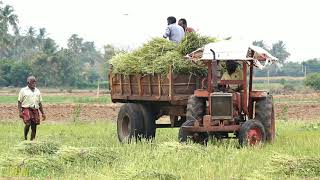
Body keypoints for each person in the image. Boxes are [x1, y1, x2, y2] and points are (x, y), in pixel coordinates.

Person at [18, 76, 46, 140]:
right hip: (26, 109)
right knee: (28, 124)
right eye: (32, 82)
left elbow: (39, 103)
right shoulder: (23, 90)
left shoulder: (37, 91)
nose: (34, 84)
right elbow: (19, 102)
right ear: (28, 83)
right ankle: (25, 138)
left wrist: (43, 113)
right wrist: (20, 112)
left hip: (35, 109)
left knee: (34, 126)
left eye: (35, 82)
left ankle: (32, 141)